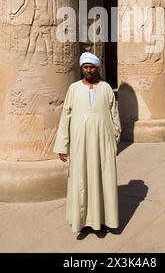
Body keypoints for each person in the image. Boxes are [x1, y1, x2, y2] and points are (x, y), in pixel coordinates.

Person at [53, 52, 121, 233]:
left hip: (103, 143)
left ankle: (105, 219)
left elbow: (114, 114)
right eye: (85, 67)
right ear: (82, 68)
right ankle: (81, 220)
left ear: (97, 68)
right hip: (79, 144)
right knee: (80, 179)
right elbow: (65, 117)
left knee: (103, 178)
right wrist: (62, 145)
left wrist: (115, 138)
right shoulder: (74, 89)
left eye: (91, 67)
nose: (89, 70)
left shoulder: (106, 88)